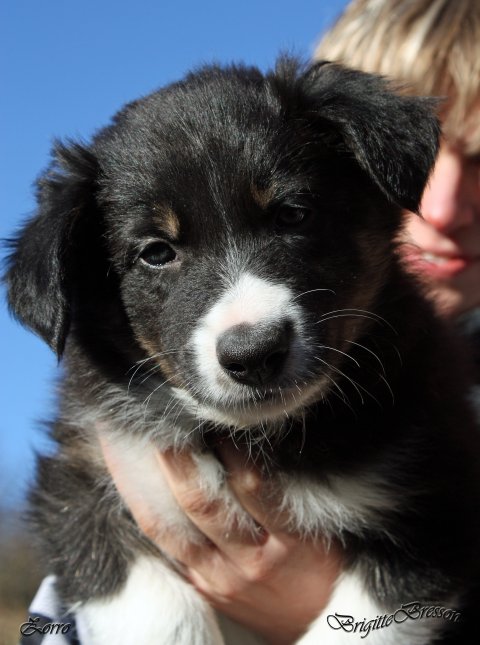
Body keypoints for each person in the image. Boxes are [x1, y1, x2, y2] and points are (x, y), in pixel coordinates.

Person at [25, 1, 480, 643]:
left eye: (291, 215)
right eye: (157, 252)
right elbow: (71, 532)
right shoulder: (108, 443)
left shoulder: (410, 406)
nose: (447, 204)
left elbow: (435, 545)